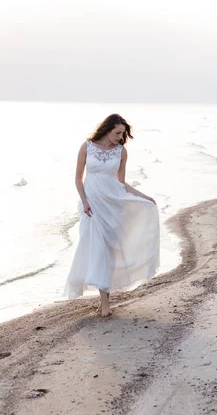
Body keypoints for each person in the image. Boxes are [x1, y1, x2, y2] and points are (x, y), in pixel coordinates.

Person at [66, 113, 160, 316]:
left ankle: (104, 303)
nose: (120, 137)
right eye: (117, 132)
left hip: (112, 205)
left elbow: (121, 183)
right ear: (107, 129)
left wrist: (144, 197)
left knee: (108, 252)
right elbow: (78, 178)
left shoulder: (121, 152)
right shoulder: (87, 147)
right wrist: (84, 201)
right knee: (96, 249)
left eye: (122, 134)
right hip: (92, 206)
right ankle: (105, 304)